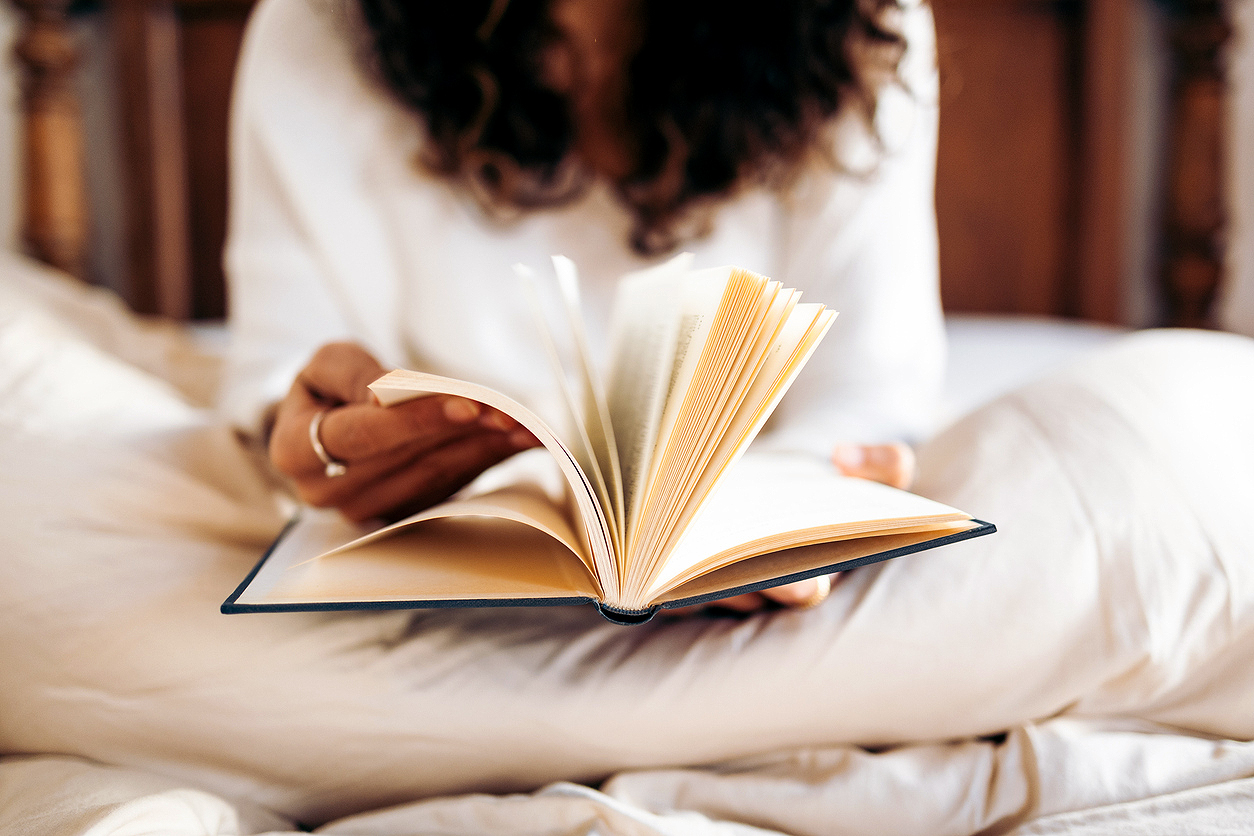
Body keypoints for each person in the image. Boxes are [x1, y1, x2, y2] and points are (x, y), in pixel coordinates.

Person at [225, 0, 942, 609]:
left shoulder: (857, 27)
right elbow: (283, 369)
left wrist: (777, 516)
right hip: (438, 562)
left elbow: (867, 390)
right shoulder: (318, 24)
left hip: (747, 583)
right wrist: (309, 431)